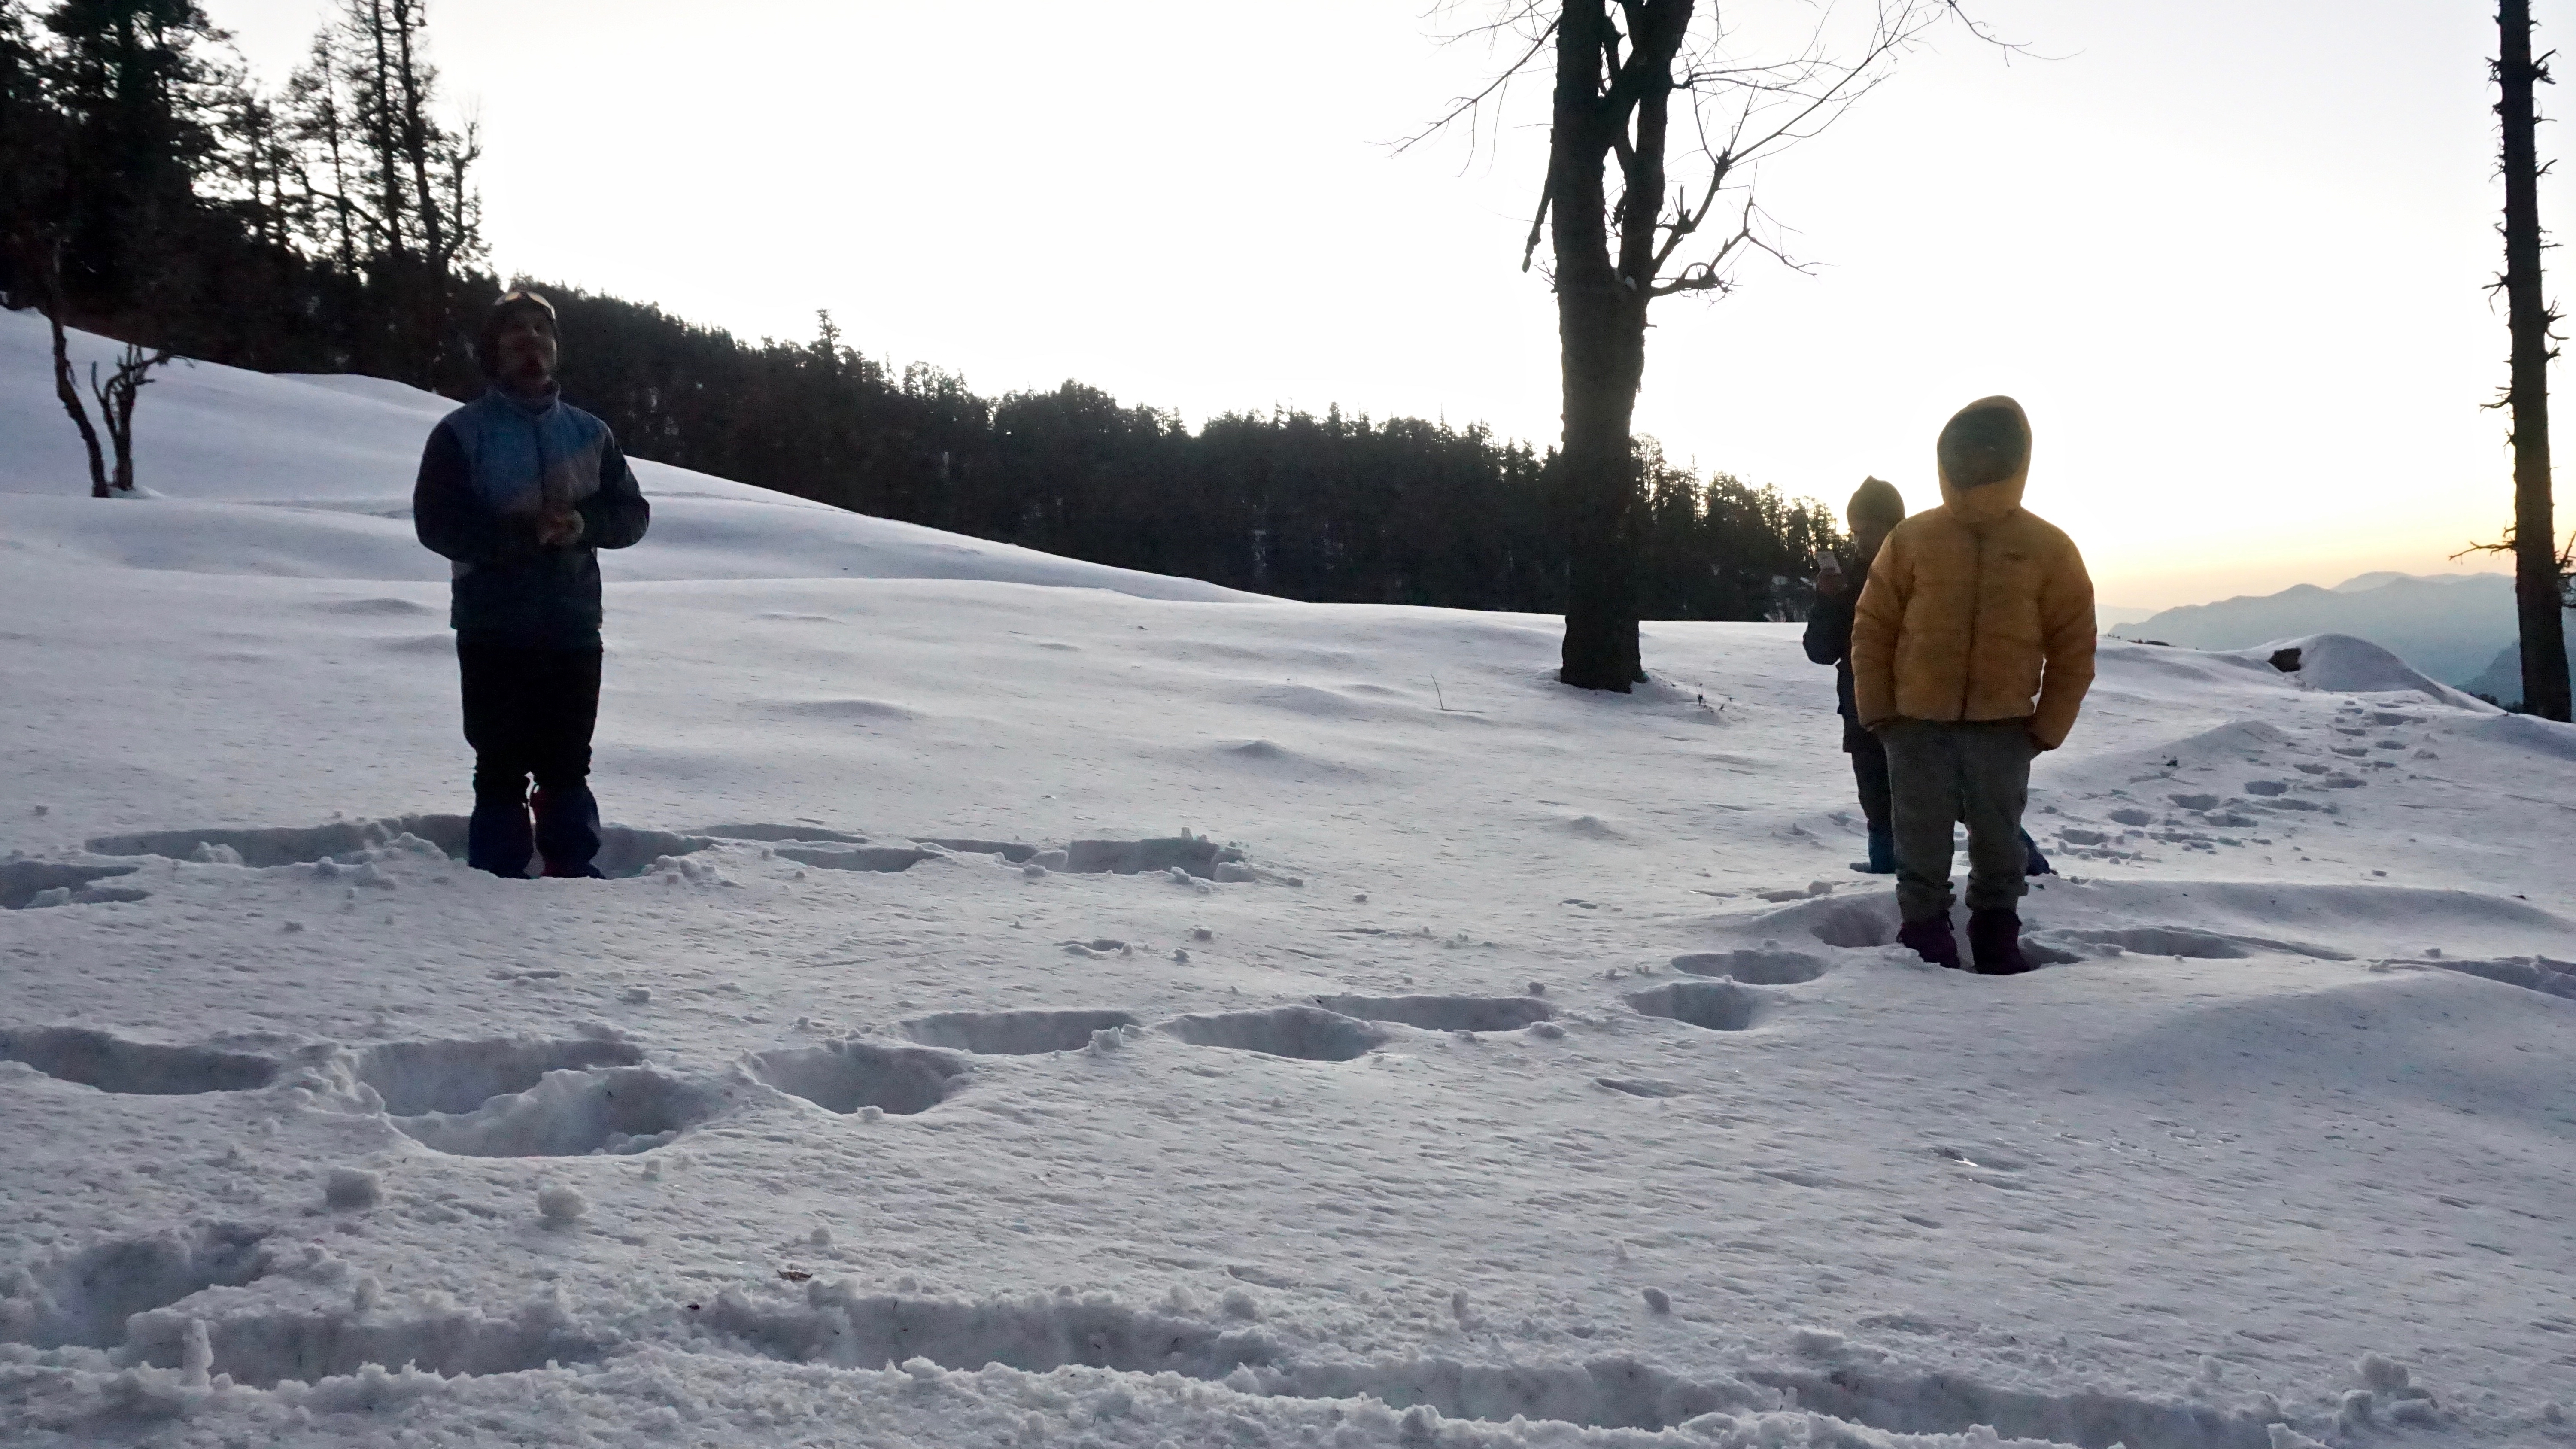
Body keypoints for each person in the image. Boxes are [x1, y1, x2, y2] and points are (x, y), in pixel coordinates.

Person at [1849, 396, 2094, 974]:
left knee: (1999, 846)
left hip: (2005, 727)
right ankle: (1925, 941)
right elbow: (1872, 626)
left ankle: (1995, 939)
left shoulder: (2049, 547)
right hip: (1915, 725)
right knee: (1920, 847)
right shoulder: (1911, 539)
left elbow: (2073, 646)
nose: (1977, 462)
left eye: (1990, 451)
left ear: (2015, 457)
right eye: (1967, 450)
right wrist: (1882, 713)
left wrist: (2044, 727)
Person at [413, 290, 650, 878]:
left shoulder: (591, 433)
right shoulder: (461, 433)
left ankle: (571, 870)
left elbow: (632, 514)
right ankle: (496, 874)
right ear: (493, 350)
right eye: (515, 330)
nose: (531, 340)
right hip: (492, 623)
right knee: (498, 761)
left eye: (542, 329)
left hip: (572, 624)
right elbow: (438, 524)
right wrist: (524, 535)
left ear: (556, 348)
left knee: (569, 761)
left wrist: (584, 524)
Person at [1803, 477, 1908, 874]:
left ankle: (2023, 862)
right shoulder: (1852, 582)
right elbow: (1819, 650)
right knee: (1876, 799)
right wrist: (1828, 601)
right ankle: (1883, 871)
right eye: (1855, 532)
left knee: (1954, 798)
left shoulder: (1922, 574)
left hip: (1915, 708)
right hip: (1861, 710)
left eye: (1867, 530)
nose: (1860, 541)